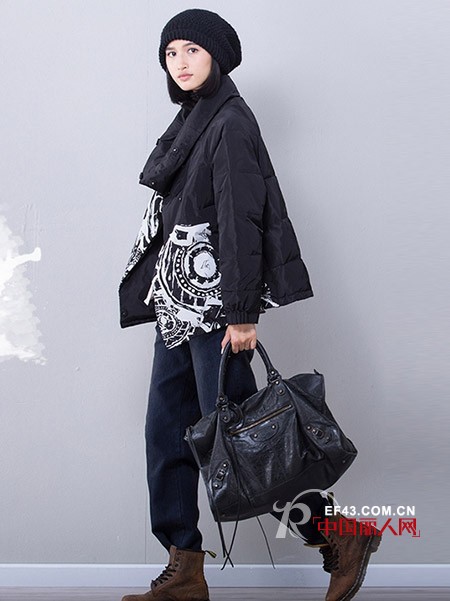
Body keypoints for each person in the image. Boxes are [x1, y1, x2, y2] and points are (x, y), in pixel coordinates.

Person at [119, 9, 381, 601]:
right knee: (166, 436)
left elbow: (241, 221)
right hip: (177, 308)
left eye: (191, 50)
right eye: (170, 53)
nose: (179, 62)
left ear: (218, 55)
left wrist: (242, 314)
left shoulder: (230, 122)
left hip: (216, 312)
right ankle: (184, 567)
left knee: (251, 445)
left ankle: (341, 536)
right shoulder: (193, 120)